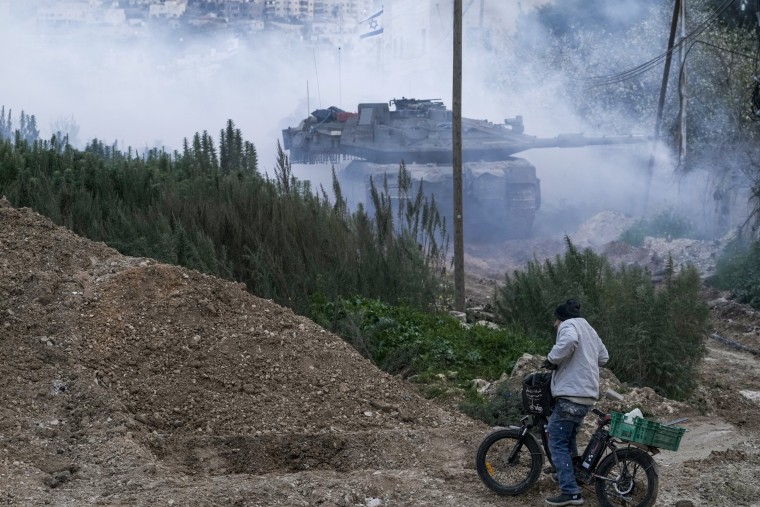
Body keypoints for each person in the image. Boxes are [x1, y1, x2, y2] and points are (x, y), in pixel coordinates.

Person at [543, 299, 609, 506]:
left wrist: (552, 359)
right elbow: (604, 357)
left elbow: (569, 341)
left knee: (556, 440)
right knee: (568, 437)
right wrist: (584, 358)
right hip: (587, 395)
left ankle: (570, 492)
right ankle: (571, 476)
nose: (555, 325)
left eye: (556, 321)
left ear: (560, 318)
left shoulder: (569, 325)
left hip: (571, 393)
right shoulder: (588, 328)